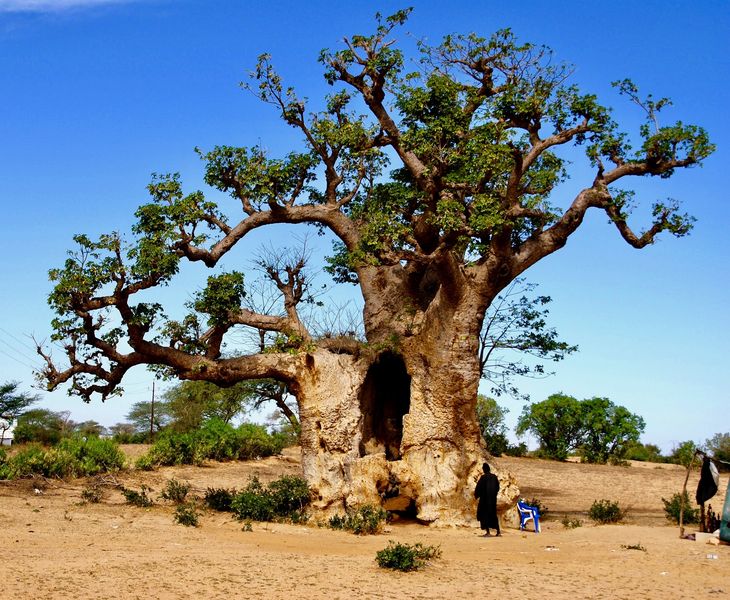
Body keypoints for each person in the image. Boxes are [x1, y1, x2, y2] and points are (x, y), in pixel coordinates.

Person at [475, 462, 501, 536]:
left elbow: (478, 488)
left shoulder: (483, 477)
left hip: (484, 501)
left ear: (484, 469)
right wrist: (493, 495)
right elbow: (497, 487)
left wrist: (477, 495)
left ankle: (488, 532)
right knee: (493, 515)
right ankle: (498, 532)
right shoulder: (494, 477)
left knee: (484, 515)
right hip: (492, 501)